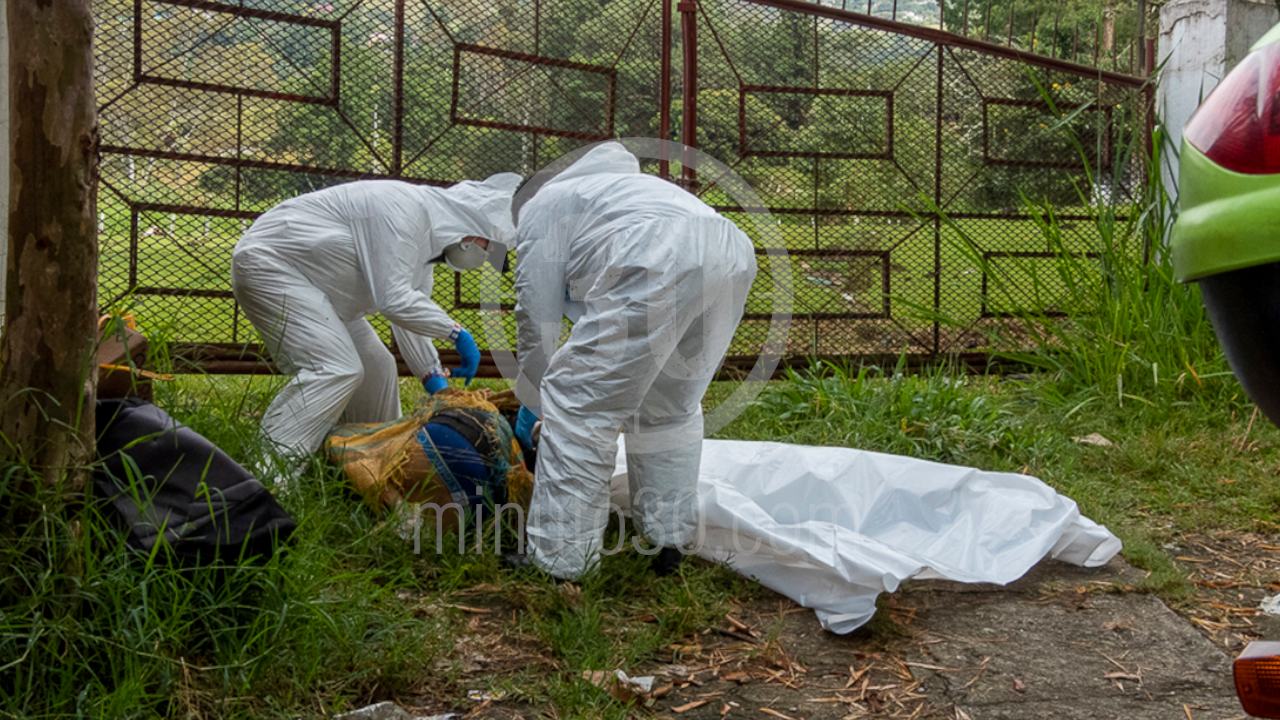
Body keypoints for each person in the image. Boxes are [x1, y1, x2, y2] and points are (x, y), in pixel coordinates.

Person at [508, 141, 758, 579]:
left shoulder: (541, 207)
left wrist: (539, 397)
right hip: (732, 249)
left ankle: (561, 564)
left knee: (580, 409)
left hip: (654, 251)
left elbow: (536, 316)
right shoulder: (629, 192)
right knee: (670, 409)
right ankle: (668, 544)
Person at [230, 173, 521, 468]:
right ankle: (267, 476)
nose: (487, 260)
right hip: (270, 266)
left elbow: (409, 313)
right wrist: (457, 333)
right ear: (474, 232)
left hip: (321, 292)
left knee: (378, 366)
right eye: (491, 251)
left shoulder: (427, 248)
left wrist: (435, 381)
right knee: (336, 369)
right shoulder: (406, 211)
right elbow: (393, 299)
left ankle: (370, 461)